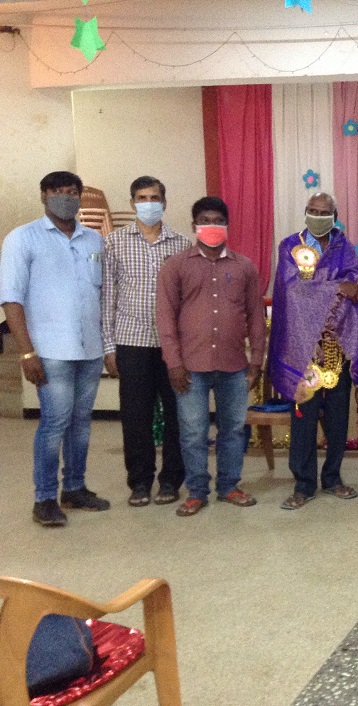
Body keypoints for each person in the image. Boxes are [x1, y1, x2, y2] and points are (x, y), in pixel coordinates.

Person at [0, 171, 110, 526]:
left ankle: (74, 488)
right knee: (55, 424)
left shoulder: (94, 240)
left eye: (73, 192)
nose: (67, 197)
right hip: (50, 351)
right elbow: (11, 299)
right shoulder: (22, 238)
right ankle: (45, 498)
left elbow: (102, 295)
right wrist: (26, 353)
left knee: (81, 424)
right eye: (58, 191)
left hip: (89, 349)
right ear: (44, 196)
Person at [156, 196, 266, 517]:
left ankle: (229, 486)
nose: (212, 226)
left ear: (227, 225)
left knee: (233, 430)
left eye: (218, 220)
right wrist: (174, 363)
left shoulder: (244, 266)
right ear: (194, 225)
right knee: (193, 433)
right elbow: (165, 317)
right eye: (205, 220)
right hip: (191, 366)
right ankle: (197, 491)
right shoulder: (176, 266)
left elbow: (256, 316)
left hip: (234, 365)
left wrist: (256, 360)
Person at [270, 193, 358, 510]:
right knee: (304, 419)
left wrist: (331, 289)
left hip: (336, 346)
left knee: (338, 419)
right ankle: (304, 484)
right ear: (305, 212)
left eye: (324, 212)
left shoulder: (345, 248)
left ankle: (333, 478)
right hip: (303, 351)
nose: (318, 216)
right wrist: (336, 286)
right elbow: (293, 290)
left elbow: (355, 288)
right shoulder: (290, 247)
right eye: (313, 210)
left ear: (335, 216)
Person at [101, 176, 190, 507]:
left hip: (173, 347)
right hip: (131, 341)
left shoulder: (181, 244)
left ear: (164, 203)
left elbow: (188, 300)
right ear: (132, 203)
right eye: (142, 198)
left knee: (177, 416)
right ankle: (139, 482)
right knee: (135, 417)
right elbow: (107, 298)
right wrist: (109, 347)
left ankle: (171, 480)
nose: (148, 203)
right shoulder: (114, 243)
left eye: (154, 197)